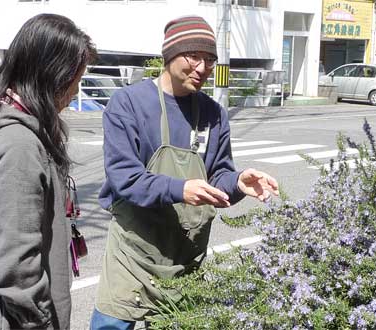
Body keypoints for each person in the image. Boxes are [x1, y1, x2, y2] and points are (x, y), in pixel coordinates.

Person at [91, 15, 279, 329]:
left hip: (186, 255)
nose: (203, 68)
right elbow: (125, 177)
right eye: (193, 57)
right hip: (132, 254)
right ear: (170, 55)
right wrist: (181, 189)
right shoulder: (128, 104)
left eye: (210, 59)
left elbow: (217, 176)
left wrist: (238, 181)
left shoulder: (213, 113)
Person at [0, 14, 96, 330]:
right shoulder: (18, 144)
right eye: (74, 80)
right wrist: (41, 322)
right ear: (51, 77)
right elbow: (17, 267)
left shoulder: (20, 128)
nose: (76, 90)